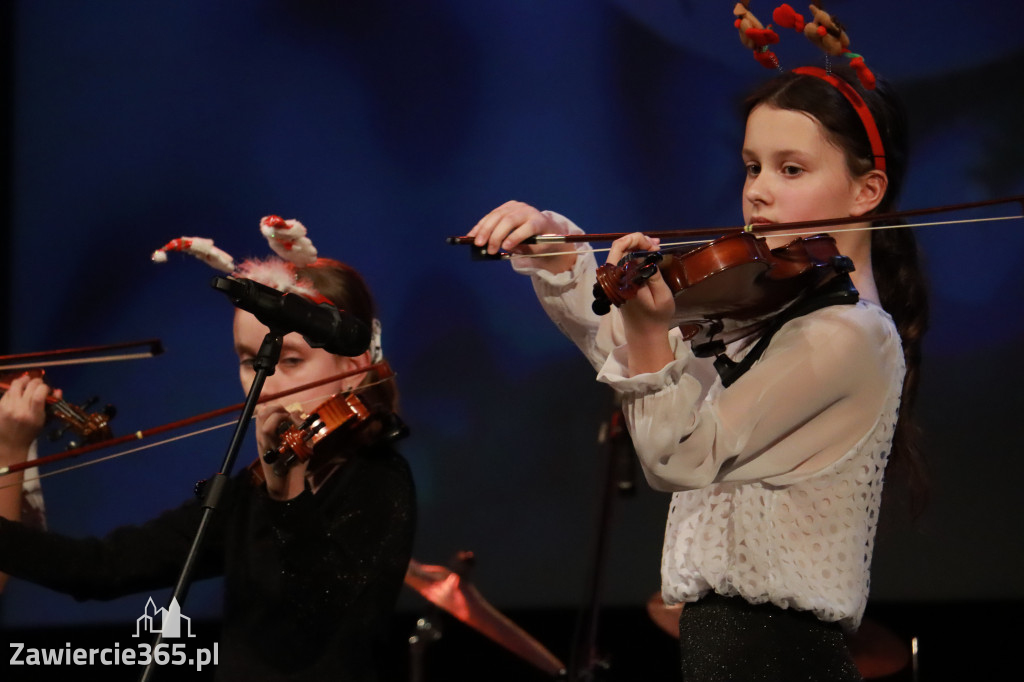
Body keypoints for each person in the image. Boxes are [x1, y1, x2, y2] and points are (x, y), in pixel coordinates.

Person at [465, 62, 927, 680]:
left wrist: (648, 330)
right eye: (753, 166)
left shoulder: (850, 335)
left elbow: (679, 456)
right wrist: (560, 255)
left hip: (775, 659)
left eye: (791, 169)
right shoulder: (775, 311)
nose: (759, 190)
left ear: (867, 191)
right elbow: (625, 352)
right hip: (732, 653)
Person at [0, 226, 417, 682]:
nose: (265, 384)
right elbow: (100, 568)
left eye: (291, 360)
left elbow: (319, 612)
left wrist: (287, 491)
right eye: (252, 361)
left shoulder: (378, 478)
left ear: (352, 370)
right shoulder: (249, 492)